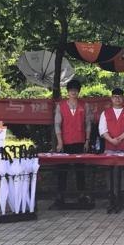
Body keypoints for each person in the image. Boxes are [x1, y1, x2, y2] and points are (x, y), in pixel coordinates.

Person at [53, 79, 93, 207]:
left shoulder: (84, 105)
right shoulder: (60, 106)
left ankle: (82, 195)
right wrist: (60, 142)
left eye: (75, 90)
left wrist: (87, 140)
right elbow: (57, 124)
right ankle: (60, 195)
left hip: (80, 141)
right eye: (71, 90)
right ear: (67, 92)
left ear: (79, 91)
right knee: (62, 170)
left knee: (80, 170)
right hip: (65, 141)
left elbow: (88, 124)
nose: (73, 92)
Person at [98, 88, 124, 206]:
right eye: (115, 96)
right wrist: (111, 140)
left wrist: (119, 139)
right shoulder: (105, 112)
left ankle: (122, 193)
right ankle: (112, 194)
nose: (117, 99)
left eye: (119, 96)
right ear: (111, 98)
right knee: (110, 171)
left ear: (123, 98)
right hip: (110, 146)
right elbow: (102, 129)